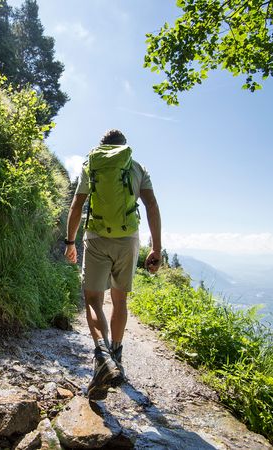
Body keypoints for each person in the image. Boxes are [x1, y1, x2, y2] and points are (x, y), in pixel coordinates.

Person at [64, 129, 162, 400]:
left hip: (96, 238)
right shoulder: (137, 166)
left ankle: (102, 356)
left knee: (94, 299)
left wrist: (70, 242)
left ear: (101, 146)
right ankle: (115, 356)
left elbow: (77, 206)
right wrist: (155, 248)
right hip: (128, 239)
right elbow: (151, 205)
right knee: (120, 301)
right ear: (124, 147)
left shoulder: (91, 166)